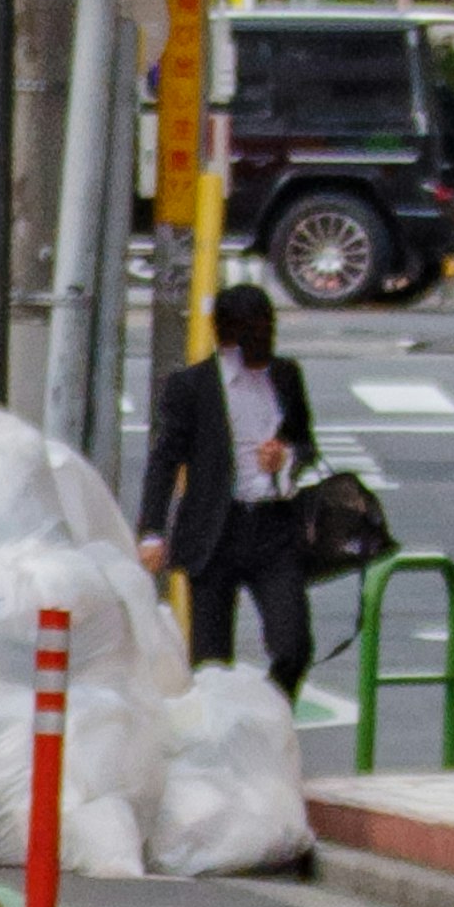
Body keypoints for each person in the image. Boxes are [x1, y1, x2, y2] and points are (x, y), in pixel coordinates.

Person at [136, 280, 321, 693]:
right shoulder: (191, 387)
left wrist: (286, 457)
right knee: (211, 663)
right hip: (215, 532)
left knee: (293, 646)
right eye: (250, 337)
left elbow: (306, 443)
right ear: (228, 337)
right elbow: (165, 461)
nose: (260, 348)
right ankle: (219, 741)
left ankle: (271, 714)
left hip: (274, 527)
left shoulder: (287, 377)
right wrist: (152, 531)